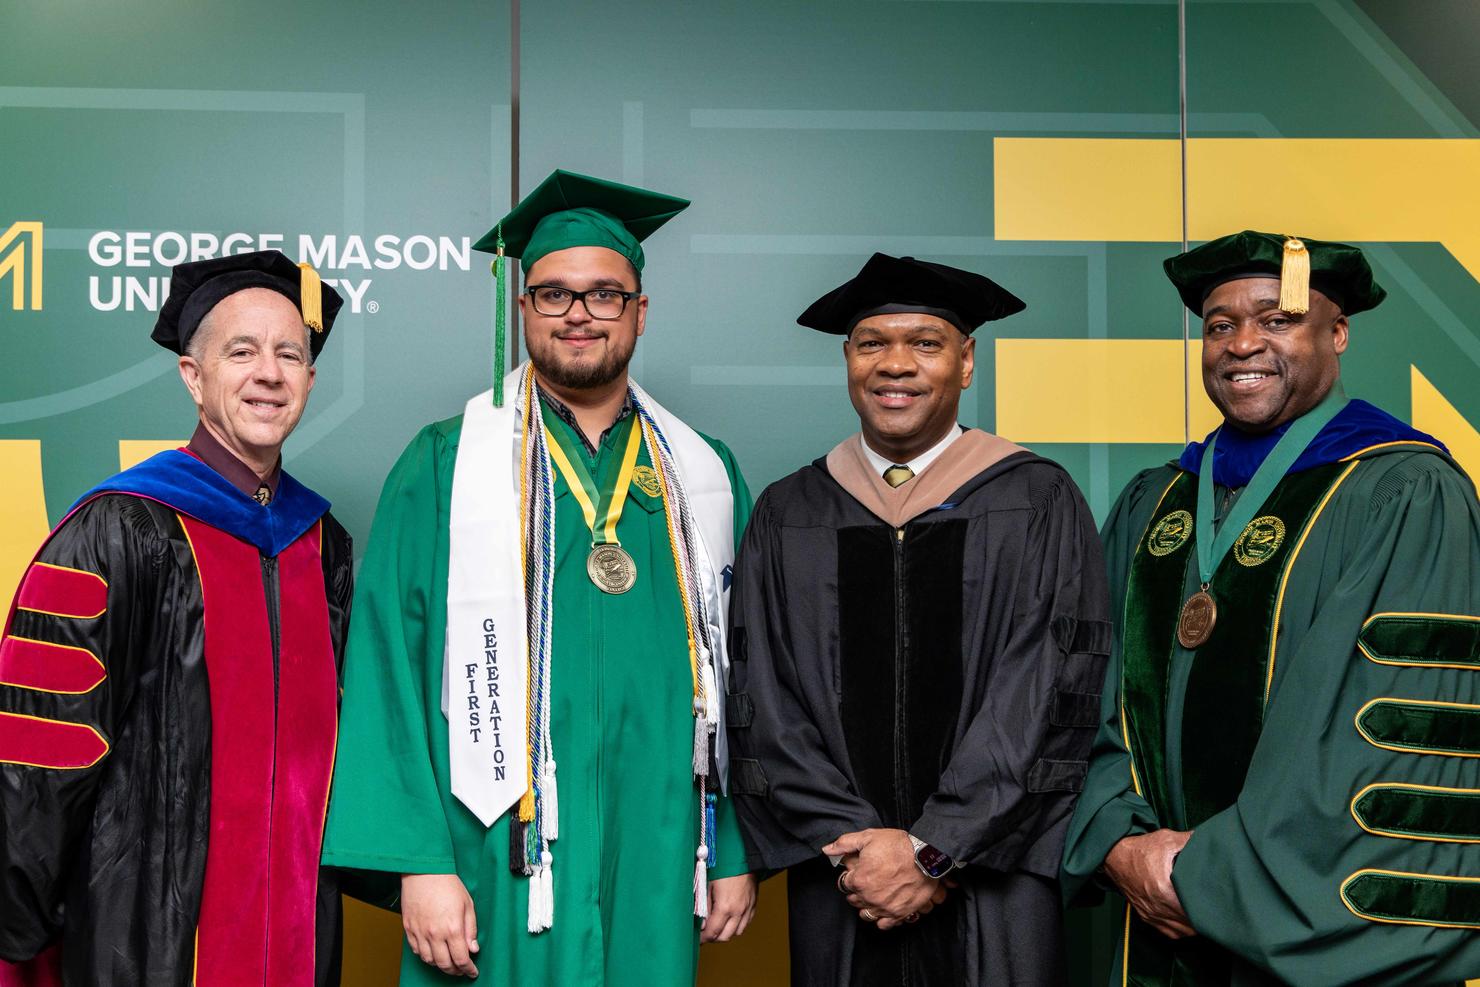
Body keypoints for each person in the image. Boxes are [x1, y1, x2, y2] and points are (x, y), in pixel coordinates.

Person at [323, 170, 758, 985]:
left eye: (605, 295)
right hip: (493, 845)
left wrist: (727, 842)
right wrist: (420, 860)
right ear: (522, 308)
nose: (580, 314)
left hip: (659, 845)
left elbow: (736, 686)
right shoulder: (445, 463)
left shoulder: (705, 475)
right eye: (554, 293)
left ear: (640, 309)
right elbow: (385, 667)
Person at [1063, 231, 1480, 985]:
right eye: (1220, 325)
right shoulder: (1154, 500)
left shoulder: (1406, 494)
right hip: (1145, 912)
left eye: (1277, 318)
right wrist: (1119, 841)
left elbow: (1383, 731)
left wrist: (1204, 874)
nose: (1242, 343)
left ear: (1339, 332)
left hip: (1302, 919)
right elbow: (1076, 692)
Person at [726, 252, 1111, 986]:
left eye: (925, 343)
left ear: (966, 363)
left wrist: (936, 849)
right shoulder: (788, 511)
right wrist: (858, 850)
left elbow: (1046, 691)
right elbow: (764, 698)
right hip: (844, 882)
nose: (895, 364)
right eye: (872, 342)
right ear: (847, 359)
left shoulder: (1036, 499)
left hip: (991, 880)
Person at [0, 251, 353, 986]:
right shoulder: (119, 529)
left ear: (310, 382)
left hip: (295, 933)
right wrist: (18, 925)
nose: (269, 372)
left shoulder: (324, 547)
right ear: (193, 376)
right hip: (141, 939)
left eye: (290, 354)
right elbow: (40, 751)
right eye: (241, 351)